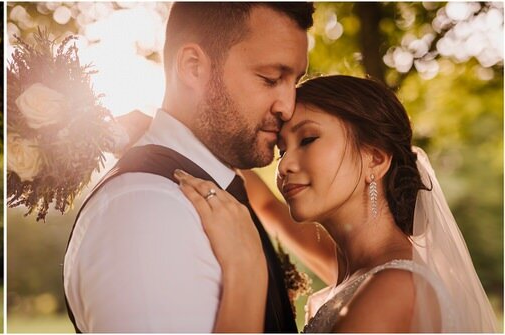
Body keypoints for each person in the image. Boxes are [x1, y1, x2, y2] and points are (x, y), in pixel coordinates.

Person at [175, 75, 498, 332]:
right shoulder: (358, 270)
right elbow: (268, 206)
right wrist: (182, 132)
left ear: (375, 157)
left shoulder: (395, 289)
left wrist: (246, 270)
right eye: (282, 150)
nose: (284, 166)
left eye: (308, 139)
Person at [63, 3, 314, 332]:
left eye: (294, 81)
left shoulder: (214, 188)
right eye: (270, 79)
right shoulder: (146, 214)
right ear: (193, 67)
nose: (288, 106)